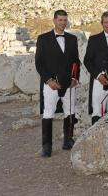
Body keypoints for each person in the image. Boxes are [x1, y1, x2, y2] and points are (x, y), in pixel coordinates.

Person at [35, 9, 80, 157]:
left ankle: (68, 140)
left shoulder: (73, 39)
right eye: (60, 20)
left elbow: (76, 62)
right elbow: (39, 63)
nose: (62, 23)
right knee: (48, 113)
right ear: (54, 20)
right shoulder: (43, 39)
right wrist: (48, 80)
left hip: (69, 83)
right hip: (51, 84)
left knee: (70, 111)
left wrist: (75, 78)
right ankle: (46, 147)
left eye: (65, 20)